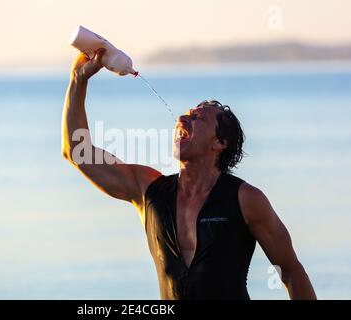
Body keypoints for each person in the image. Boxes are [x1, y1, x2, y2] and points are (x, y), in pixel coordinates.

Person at [61, 48, 317, 300]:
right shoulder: (149, 190)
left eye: (197, 119)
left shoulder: (246, 200)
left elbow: (291, 271)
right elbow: (77, 152)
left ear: (219, 143)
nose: (183, 120)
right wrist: (77, 79)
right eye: (185, 115)